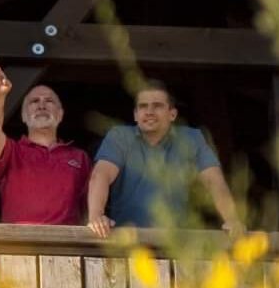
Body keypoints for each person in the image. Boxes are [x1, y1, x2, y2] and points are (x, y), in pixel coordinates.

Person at [87, 80, 243, 236]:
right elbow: (101, 175)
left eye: (157, 106)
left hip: (177, 241)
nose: (149, 112)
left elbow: (214, 181)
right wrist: (96, 216)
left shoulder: (192, 138)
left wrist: (232, 220)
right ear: (135, 115)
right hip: (128, 241)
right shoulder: (119, 137)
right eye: (143, 106)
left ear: (172, 114)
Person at [0, 63, 92, 226]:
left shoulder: (80, 157)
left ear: (60, 115)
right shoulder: (13, 151)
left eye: (49, 101)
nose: (41, 105)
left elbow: (88, 210)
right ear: (23, 116)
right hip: (19, 241)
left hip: (66, 241)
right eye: (34, 102)